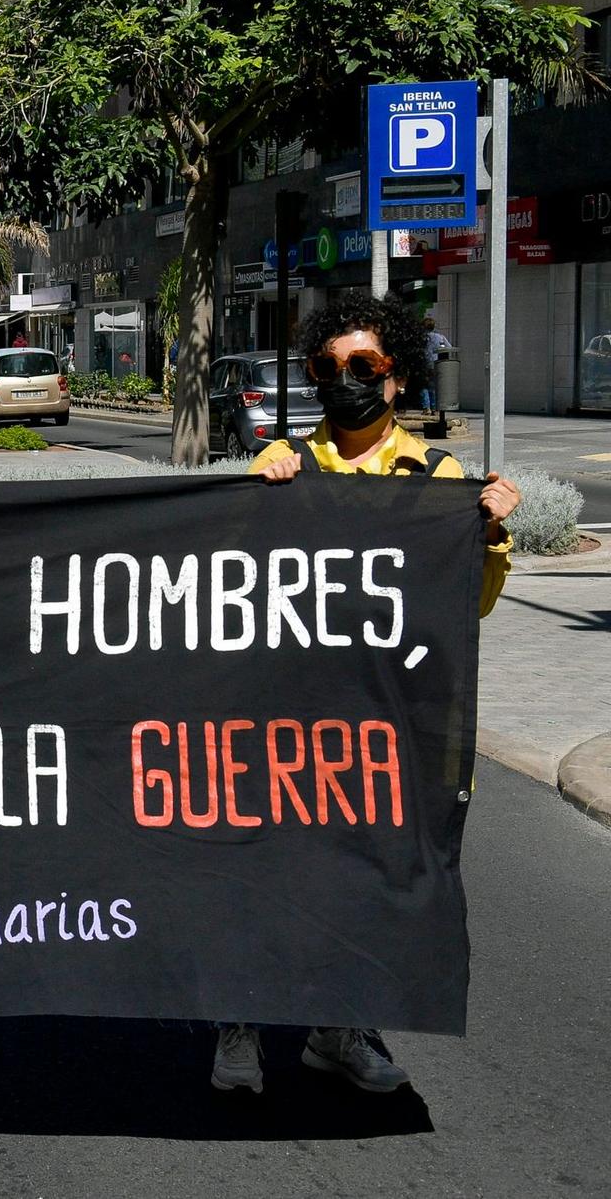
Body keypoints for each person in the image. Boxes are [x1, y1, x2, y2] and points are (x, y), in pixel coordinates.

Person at [210, 291, 519, 1099]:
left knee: (361, 881)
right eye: (330, 367)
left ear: (397, 378)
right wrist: (254, 501)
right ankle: (238, 1020)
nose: (345, 381)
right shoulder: (281, 467)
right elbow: (220, 587)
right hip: (284, 720)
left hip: (389, 728)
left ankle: (338, 1027)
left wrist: (485, 532)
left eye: (364, 367)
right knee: (263, 872)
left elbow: (471, 605)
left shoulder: (439, 478)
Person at [419, 317, 453, 412]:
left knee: (423, 385)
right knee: (433, 386)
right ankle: (434, 407)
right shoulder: (440, 337)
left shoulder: (421, 338)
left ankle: (426, 407)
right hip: (436, 364)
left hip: (424, 363)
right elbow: (449, 347)